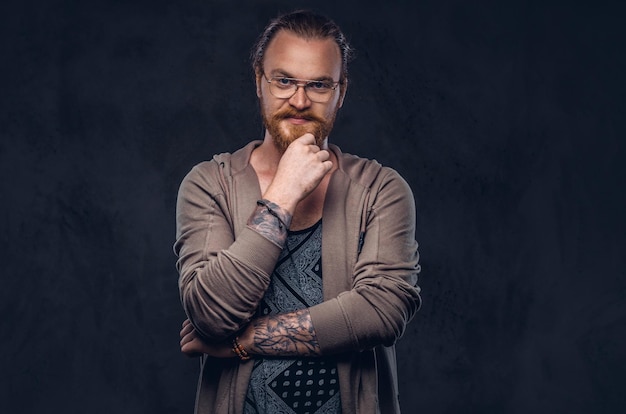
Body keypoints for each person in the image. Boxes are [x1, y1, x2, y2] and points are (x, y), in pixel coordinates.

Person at [174, 9, 421, 414]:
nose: (300, 101)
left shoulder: (380, 189)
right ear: (259, 81)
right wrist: (283, 195)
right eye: (284, 80)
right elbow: (211, 313)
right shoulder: (209, 184)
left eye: (320, 85)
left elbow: (382, 311)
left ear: (341, 90)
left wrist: (243, 342)